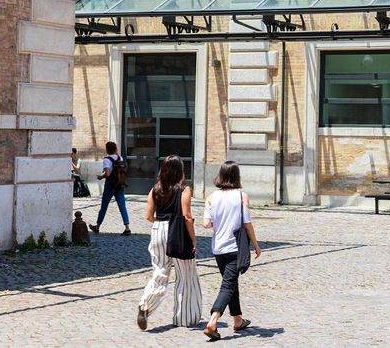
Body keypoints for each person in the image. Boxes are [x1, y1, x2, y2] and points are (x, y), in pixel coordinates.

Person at [137, 155, 202, 330]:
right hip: (178, 231)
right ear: (180, 170)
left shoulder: (155, 190)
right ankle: (185, 317)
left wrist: (162, 223)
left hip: (158, 230)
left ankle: (145, 306)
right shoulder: (185, 190)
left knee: (160, 271)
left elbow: (148, 216)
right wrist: (194, 239)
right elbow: (187, 216)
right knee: (186, 275)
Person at [202, 161, 261, 341]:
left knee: (230, 282)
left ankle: (237, 320)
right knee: (228, 285)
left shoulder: (211, 197)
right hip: (235, 247)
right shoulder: (241, 196)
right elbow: (247, 224)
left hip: (218, 248)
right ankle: (213, 321)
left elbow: (206, 224)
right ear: (237, 176)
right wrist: (256, 245)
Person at [89, 141, 131, 236]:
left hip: (110, 185)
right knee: (122, 206)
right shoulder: (120, 158)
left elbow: (107, 173)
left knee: (104, 206)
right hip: (120, 184)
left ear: (107, 149)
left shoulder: (107, 160)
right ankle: (127, 228)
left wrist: (100, 176)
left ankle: (97, 227)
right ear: (115, 149)